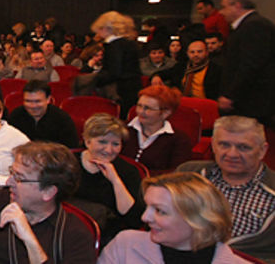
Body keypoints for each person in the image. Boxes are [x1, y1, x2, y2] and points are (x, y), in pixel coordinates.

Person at [177, 116, 275, 262]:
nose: (232, 154)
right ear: (213, 146)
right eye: (224, 145)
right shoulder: (188, 175)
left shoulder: (271, 191)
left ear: (262, 150)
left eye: (243, 147)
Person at [98, 172, 249, 264]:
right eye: (147, 207)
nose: (145, 217)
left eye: (160, 211)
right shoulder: (125, 245)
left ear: (197, 220)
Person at [73, 114, 144, 243]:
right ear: (87, 141)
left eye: (116, 144)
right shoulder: (67, 161)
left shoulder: (128, 171)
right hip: (66, 228)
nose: (109, 150)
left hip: (106, 236)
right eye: (102, 142)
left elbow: (133, 219)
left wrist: (115, 179)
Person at [218, 0, 275, 128]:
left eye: (224, 7)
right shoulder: (247, 26)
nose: (221, 12)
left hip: (251, 100)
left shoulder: (255, 25)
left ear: (237, 5)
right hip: (246, 98)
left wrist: (231, 95)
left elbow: (251, 65)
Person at [120, 85, 192, 175]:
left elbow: (177, 173)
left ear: (166, 113)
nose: (140, 111)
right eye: (139, 106)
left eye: (148, 108)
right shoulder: (122, 129)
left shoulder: (179, 140)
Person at [91, 11, 142, 117]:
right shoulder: (129, 43)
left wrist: (94, 80)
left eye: (100, 29)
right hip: (132, 88)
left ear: (107, 28)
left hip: (120, 90)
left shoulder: (114, 46)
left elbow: (114, 72)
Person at [8, 80, 79, 148]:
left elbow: (70, 149)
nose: (33, 106)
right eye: (28, 101)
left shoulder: (62, 119)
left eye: (38, 101)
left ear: (48, 99)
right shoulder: (16, 116)